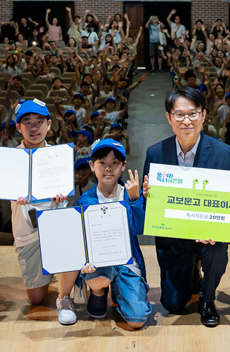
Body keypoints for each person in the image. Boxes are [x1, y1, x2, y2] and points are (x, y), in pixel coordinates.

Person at [143, 86, 230, 327]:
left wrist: (220, 231)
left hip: (209, 234)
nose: (186, 121)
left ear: (204, 115)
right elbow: (149, 207)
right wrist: (146, 196)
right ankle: (193, 272)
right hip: (174, 237)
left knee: (216, 251)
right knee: (173, 305)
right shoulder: (155, 153)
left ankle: (208, 299)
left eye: (193, 113)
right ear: (169, 118)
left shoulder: (223, 153)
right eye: (179, 114)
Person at [9, 100, 81, 324]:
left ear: (49, 125)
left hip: (55, 228)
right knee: (36, 299)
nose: (34, 127)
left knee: (72, 233)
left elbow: (67, 193)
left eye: (39, 122)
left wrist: (61, 199)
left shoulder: (58, 155)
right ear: (18, 127)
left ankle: (64, 296)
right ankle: (48, 271)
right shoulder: (9, 158)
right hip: (27, 234)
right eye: (27, 122)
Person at [78, 138, 151, 329]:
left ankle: (121, 291)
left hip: (127, 261)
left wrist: (135, 199)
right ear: (92, 165)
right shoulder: (85, 200)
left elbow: (139, 229)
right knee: (97, 277)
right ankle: (98, 292)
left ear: (123, 165)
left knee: (137, 320)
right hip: (99, 263)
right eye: (102, 162)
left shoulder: (130, 193)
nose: (108, 168)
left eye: (115, 163)